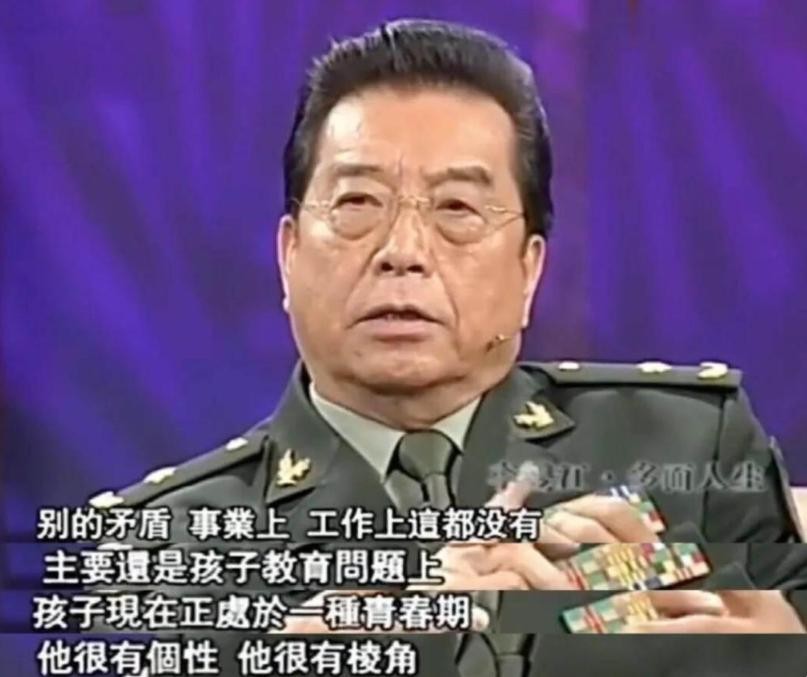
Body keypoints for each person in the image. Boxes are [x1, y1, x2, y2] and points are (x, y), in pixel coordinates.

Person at [88, 18, 807, 677]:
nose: (402, 251)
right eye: (357, 204)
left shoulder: (692, 448)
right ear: (288, 255)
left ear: (529, 270)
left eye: (457, 208)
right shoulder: (161, 552)